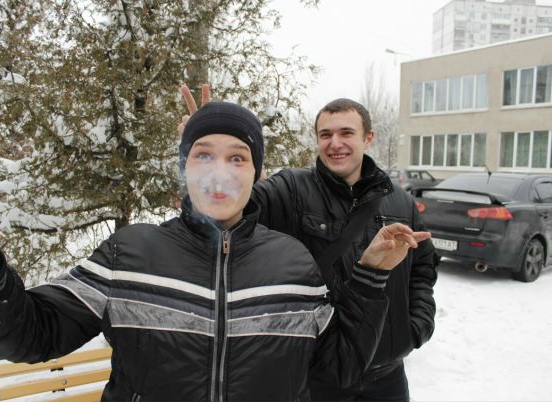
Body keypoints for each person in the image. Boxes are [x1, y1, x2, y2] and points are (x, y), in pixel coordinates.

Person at [0, 101, 431, 402]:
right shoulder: (129, 255)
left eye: (237, 157)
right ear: (184, 168)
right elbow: (29, 337)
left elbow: (339, 368)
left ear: (257, 174)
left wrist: (371, 277)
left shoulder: (292, 265)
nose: (219, 172)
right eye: (203, 154)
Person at [179, 85, 438, 402]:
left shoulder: (399, 201)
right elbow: (227, 213)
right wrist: (211, 158)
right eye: (325, 134)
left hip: (387, 375)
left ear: (368, 138)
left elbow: (423, 267)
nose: (335, 143)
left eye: (346, 133)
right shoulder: (291, 189)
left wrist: (415, 326)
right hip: (317, 371)